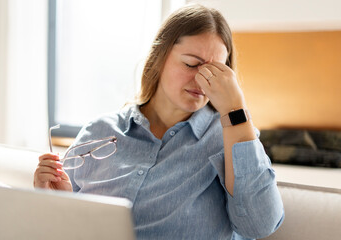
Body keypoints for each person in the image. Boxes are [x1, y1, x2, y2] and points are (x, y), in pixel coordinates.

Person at [34, 4, 284, 240]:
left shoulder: (229, 138)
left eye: (216, 71)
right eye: (191, 64)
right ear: (159, 57)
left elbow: (260, 225)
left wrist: (235, 109)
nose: (202, 80)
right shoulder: (99, 131)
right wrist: (59, 203)